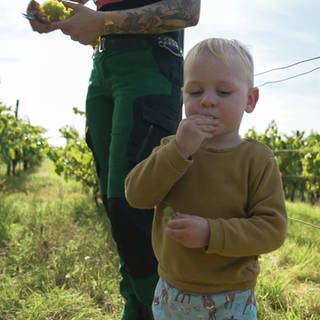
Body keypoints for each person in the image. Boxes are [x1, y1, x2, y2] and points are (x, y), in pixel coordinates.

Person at [26, 1, 201, 319]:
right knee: (114, 206)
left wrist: (103, 22)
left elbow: (187, 10)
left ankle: (165, 311)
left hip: (149, 65)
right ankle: (136, 308)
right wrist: (48, 14)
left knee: (132, 211)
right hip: (104, 67)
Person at [125, 38, 288, 320]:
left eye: (223, 92)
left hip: (231, 297)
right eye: (195, 91)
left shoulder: (257, 159)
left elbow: (272, 230)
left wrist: (211, 234)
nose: (208, 100)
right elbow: (136, 196)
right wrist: (179, 149)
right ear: (183, 97)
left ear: (250, 100)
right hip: (171, 291)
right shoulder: (171, 149)